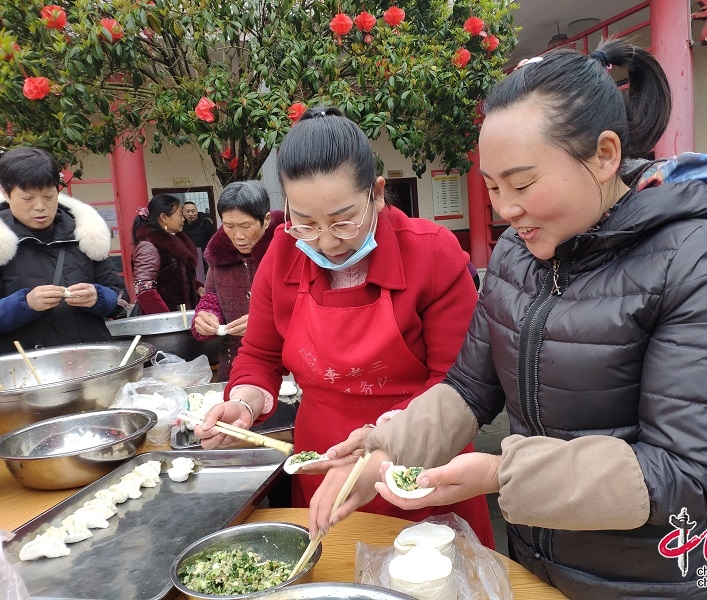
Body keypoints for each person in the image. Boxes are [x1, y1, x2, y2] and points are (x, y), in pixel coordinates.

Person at [309, 40, 707, 599]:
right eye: (493, 188)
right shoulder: (516, 256)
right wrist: (384, 451)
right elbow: (469, 389)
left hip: (666, 578)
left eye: (523, 185)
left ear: (604, 156)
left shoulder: (702, 263)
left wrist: (502, 474)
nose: (507, 209)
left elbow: (686, 475)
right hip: (536, 566)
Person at [194, 106, 494, 547]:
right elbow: (259, 354)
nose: (327, 242)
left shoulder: (432, 255)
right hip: (323, 464)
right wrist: (245, 402)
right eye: (306, 223)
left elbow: (458, 384)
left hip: (422, 464)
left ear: (376, 193)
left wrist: (386, 446)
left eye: (343, 220)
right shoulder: (283, 252)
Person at [0, 147, 127, 354]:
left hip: (92, 358)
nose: (40, 206)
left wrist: (98, 297)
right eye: (28, 199)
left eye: (48, 196)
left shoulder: (86, 233)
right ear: (6, 193)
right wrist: (26, 304)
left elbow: (120, 298)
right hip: (27, 372)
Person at [190, 181, 284, 380]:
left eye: (245, 226)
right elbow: (211, 296)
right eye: (229, 226)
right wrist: (207, 315)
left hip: (284, 368)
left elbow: (307, 311)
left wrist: (264, 325)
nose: (237, 235)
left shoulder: (289, 251)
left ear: (266, 220)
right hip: (234, 364)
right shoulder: (218, 255)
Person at [131, 194, 203, 314]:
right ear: (164, 217)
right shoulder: (148, 246)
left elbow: (175, 276)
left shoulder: (177, 241)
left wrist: (196, 287)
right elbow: (145, 290)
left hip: (183, 317)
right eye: (180, 214)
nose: (183, 219)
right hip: (165, 325)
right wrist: (166, 319)